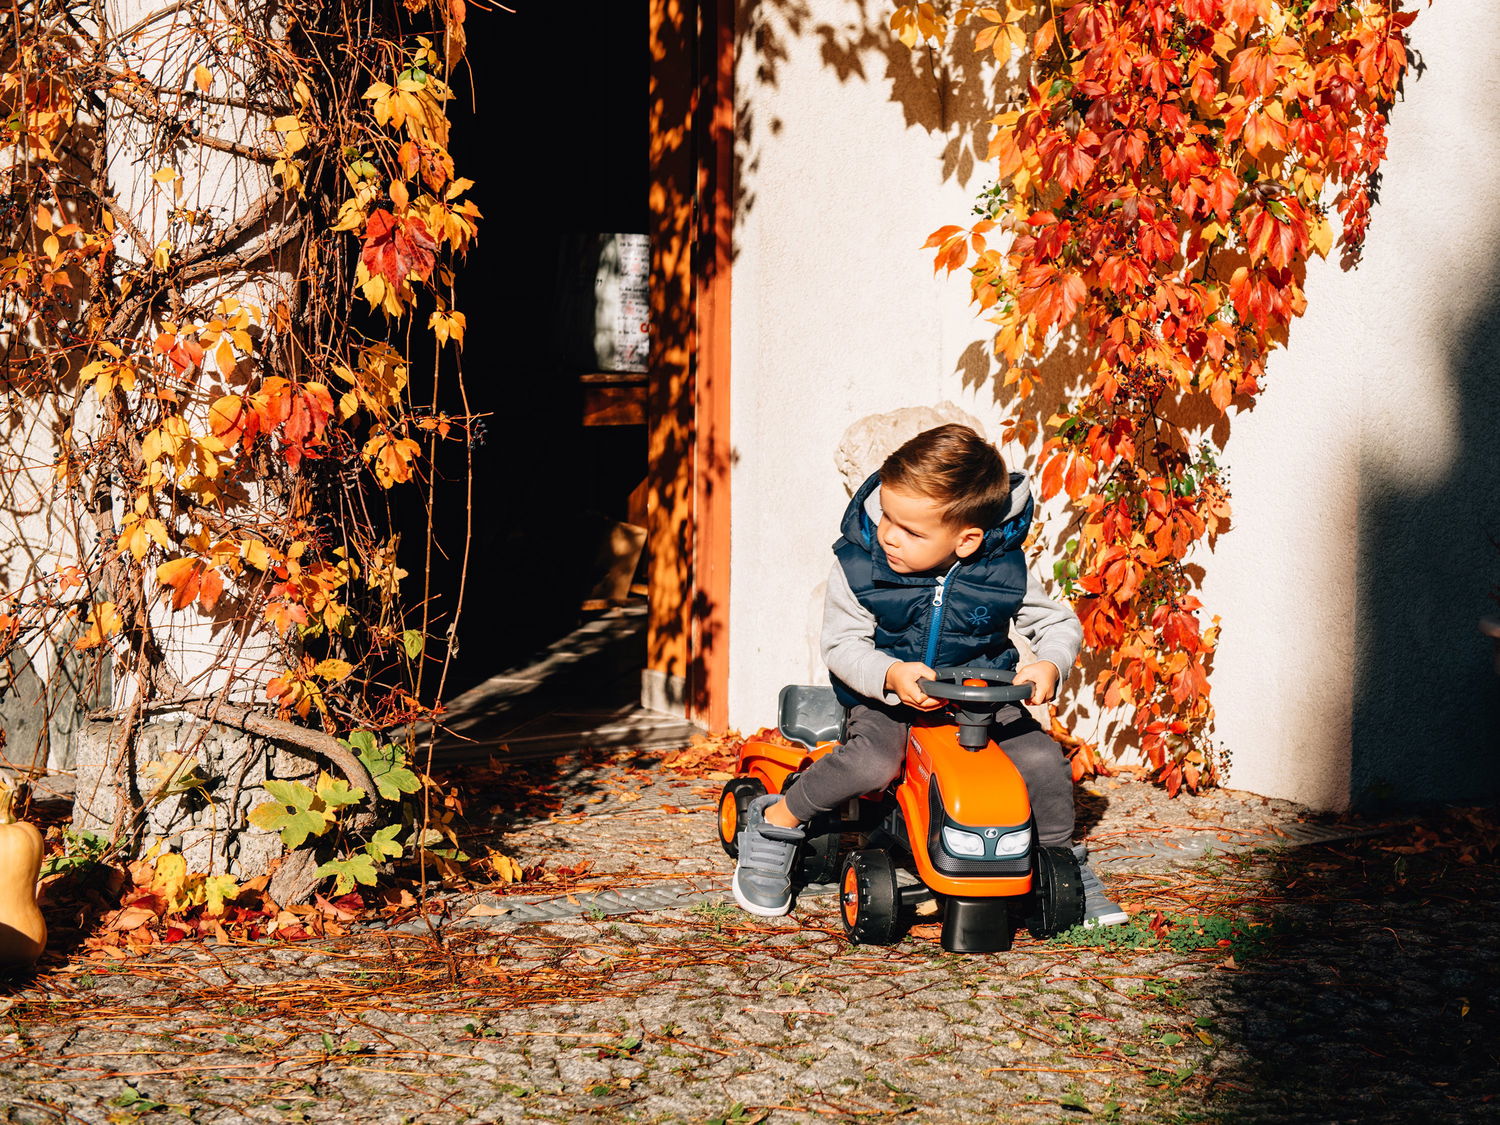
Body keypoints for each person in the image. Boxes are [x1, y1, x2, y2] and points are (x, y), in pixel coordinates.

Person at [732, 423, 1127, 927]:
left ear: (966, 540)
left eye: (911, 531)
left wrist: (1049, 662)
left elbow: (1055, 623)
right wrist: (891, 674)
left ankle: (1060, 860)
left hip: (980, 695)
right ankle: (776, 821)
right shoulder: (859, 565)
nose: (889, 536)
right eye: (887, 516)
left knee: (1042, 760)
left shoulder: (1003, 569)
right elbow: (842, 645)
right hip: (886, 698)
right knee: (871, 763)